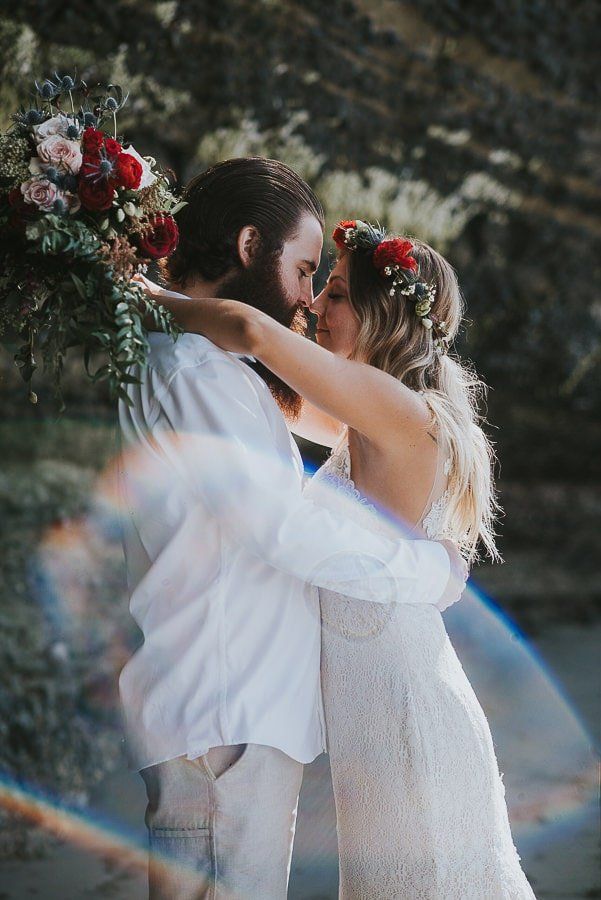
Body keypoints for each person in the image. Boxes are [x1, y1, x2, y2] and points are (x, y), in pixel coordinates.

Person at [141, 217, 537, 897]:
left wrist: (143, 296)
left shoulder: (392, 406)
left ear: (383, 314)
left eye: (337, 294)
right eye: (320, 288)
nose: (314, 306)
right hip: (376, 710)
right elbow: (268, 398)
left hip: (400, 710)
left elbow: (258, 335)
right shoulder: (378, 412)